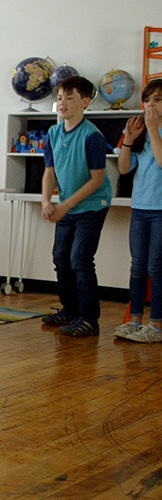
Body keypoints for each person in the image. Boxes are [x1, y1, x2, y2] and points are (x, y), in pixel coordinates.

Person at [39, 76, 112, 337]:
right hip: (66, 206)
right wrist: (47, 201)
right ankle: (69, 310)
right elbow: (49, 171)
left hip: (92, 204)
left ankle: (89, 319)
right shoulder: (53, 133)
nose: (63, 103)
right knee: (61, 257)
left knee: (80, 258)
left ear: (85, 102)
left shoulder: (93, 136)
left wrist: (65, 205)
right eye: (59, 98)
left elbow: (97, 179)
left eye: (69, 98)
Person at [115, 78, 162, 343]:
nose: (151, 105)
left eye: (158, 100)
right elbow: (123, 168)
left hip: (160, 210)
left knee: (156, 268)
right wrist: (129, 141)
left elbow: (161, 160)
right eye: (149, 100)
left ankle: (156, 324)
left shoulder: (153, 129)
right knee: (138, 268)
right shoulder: (141, 130)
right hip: (140, 207)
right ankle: (135, 321)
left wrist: (154, 129)